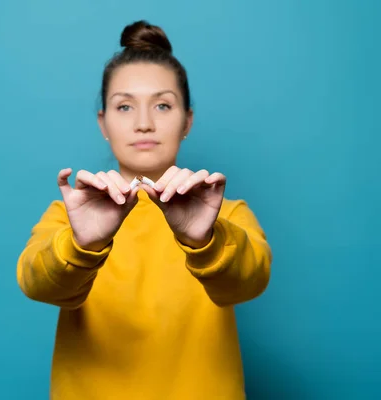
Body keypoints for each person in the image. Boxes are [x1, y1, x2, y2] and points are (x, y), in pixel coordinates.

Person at [16, 20, 272, 400]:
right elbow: (36, 283)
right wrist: (82, 245)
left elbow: (249, 282)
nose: (143, 123)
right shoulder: (69, 215)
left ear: (187, 120)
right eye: (124, 106)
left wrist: (205, 239)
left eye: (163, 105)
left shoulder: (228, 214)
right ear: (103, 122)